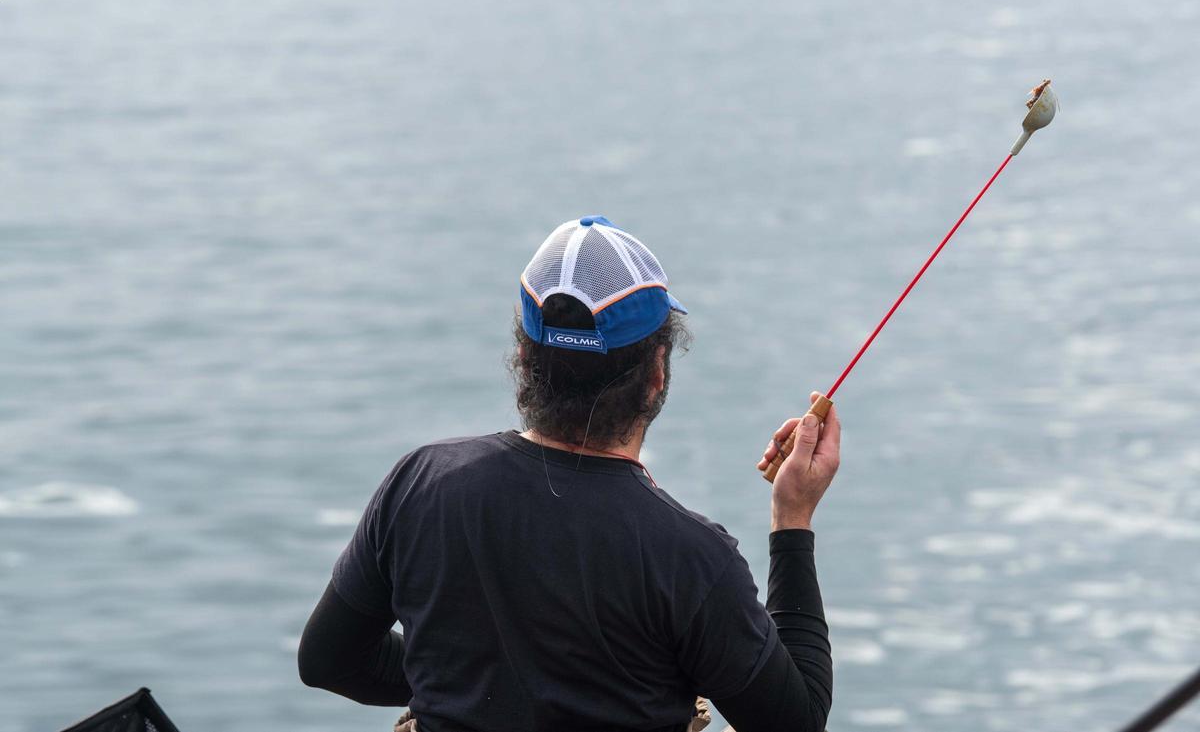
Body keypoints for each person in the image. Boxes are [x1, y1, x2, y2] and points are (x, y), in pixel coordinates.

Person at [298, 215, 840, 732]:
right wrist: (792, 519)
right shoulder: (692, 558)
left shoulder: (420, 485)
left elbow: (328, 661)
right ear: (656, 372)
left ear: (524, 360)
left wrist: (459, 685)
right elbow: (797, 720)